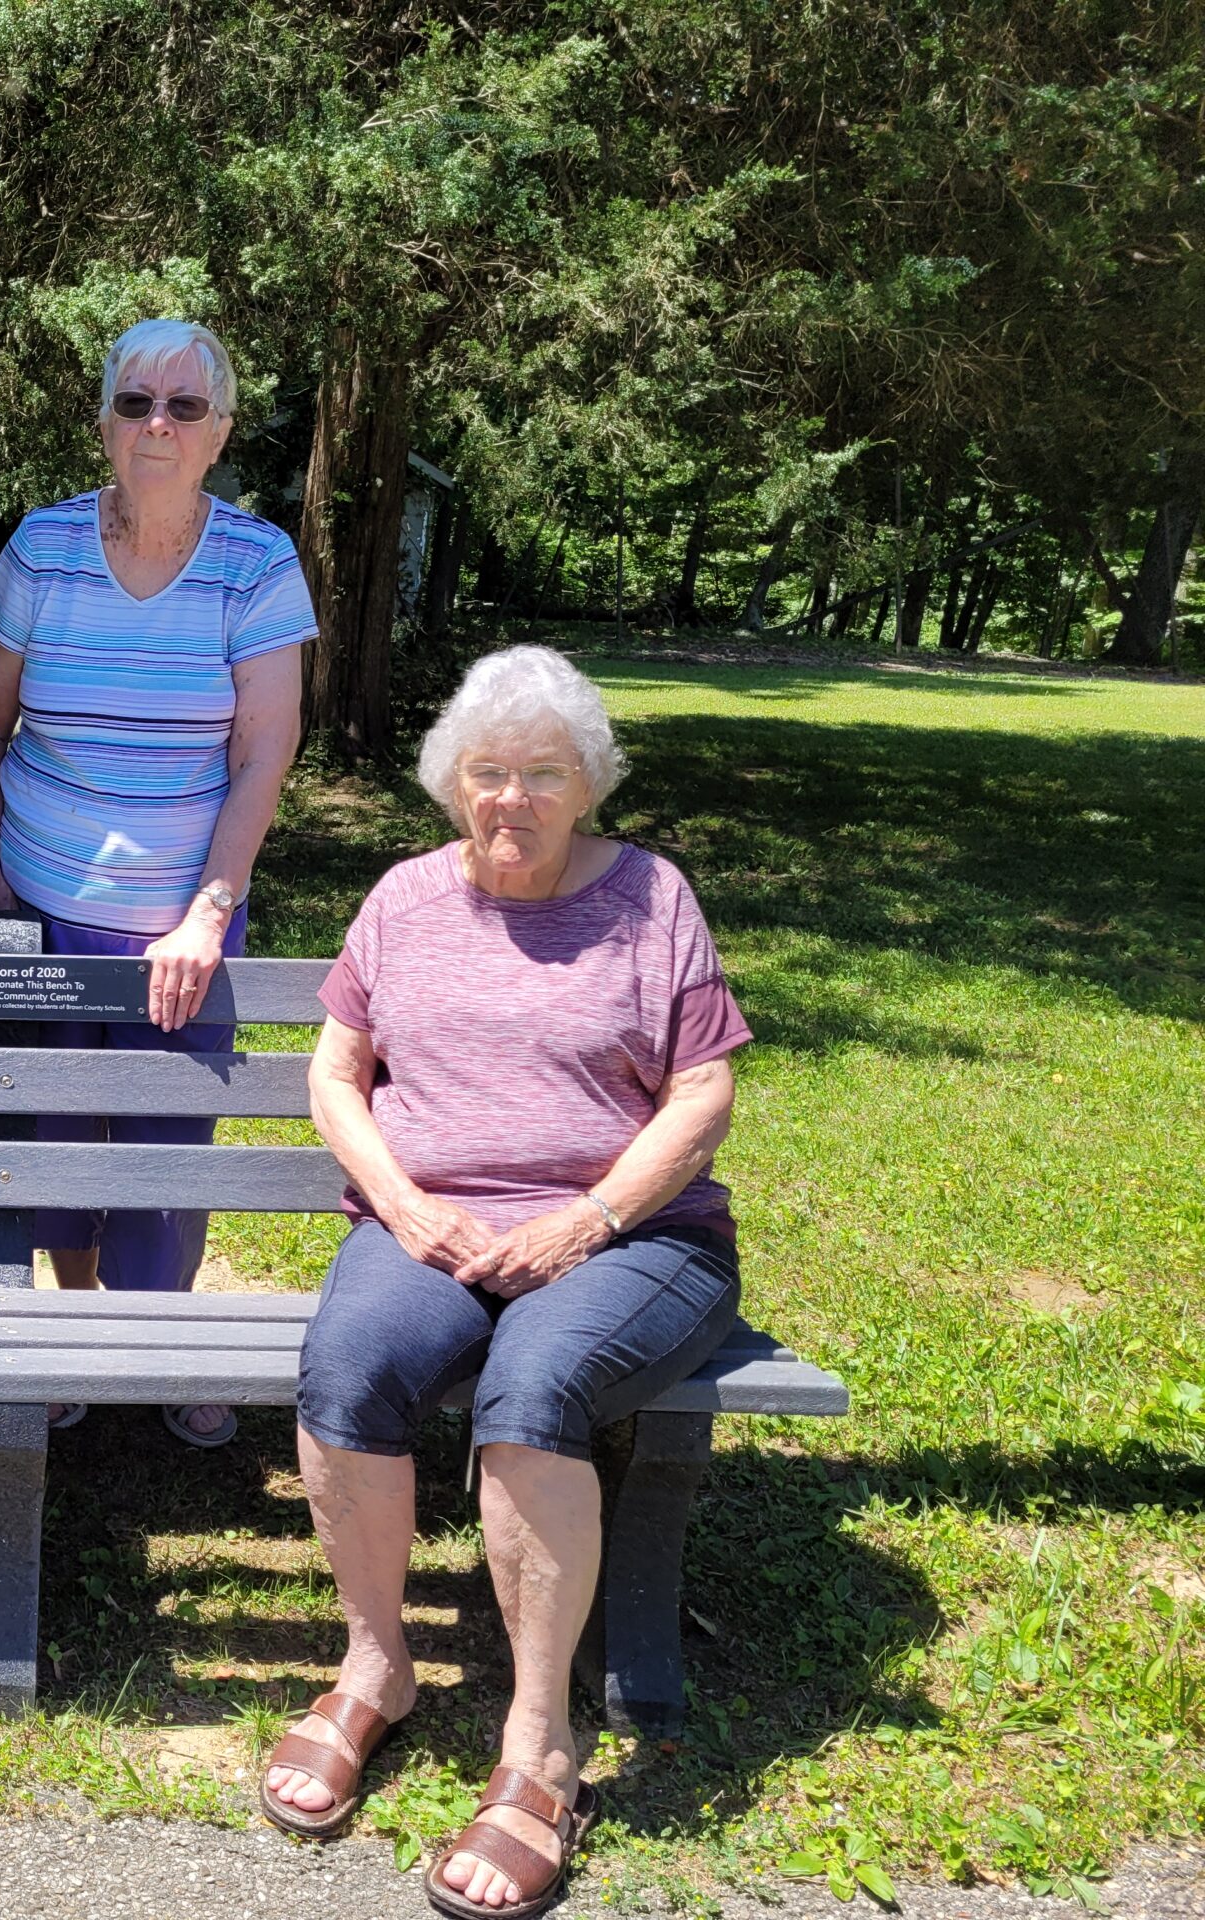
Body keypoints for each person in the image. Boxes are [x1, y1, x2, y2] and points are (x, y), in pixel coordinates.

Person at [256, 646, 751, 1920]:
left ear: (585, 784)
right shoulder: (406, 899)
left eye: (540, 774)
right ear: (449, 784)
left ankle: (538, 1748)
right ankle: (378, 1668)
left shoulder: (650, 899)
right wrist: (405, 1204)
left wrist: (586, 1220)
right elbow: (335, 1075)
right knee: (348, 1369)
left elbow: (702, 1092)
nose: (509, 801)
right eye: (485, 773)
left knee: (531, 1387)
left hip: (635, 1234)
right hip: (433, 1226)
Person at [0, 318, 313, 1447]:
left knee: (169, 1142)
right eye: (135, 404)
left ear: (218, 433)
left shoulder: (255, 562)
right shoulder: (42, 546)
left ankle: (162, 1330)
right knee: (62, 1133)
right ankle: (76, 1323)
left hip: (184, 917)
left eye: (183, 407)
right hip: (44, 901)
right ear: (104, 422)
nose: (156, 425)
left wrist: (208, 915)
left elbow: (264, 752)